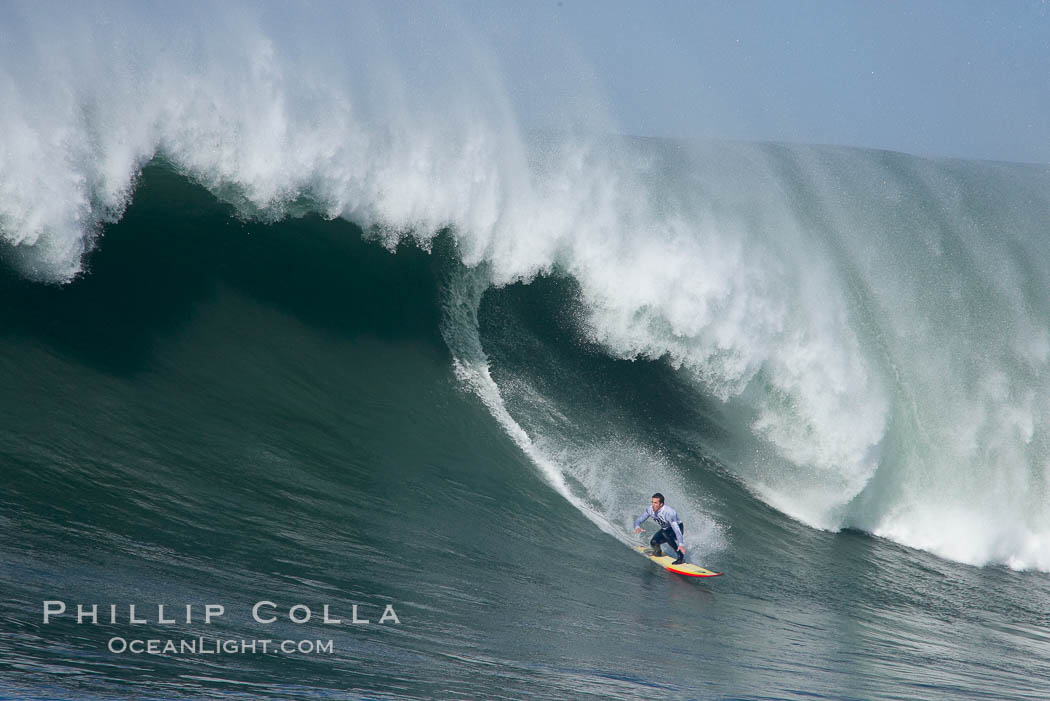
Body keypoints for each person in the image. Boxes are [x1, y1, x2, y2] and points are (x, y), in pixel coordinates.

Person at [633, 493, 686, 565]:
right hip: (666, 529)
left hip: (678, 528)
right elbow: (639, 520)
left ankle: (680, 556)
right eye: (652, 502)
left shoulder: (669, 512)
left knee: (665, 533)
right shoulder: (650, 510)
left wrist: (681, 543)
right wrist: (637, 526)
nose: (653, 505)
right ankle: (658, 552)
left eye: (655, 503)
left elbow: (676, 529)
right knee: (653, 542)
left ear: (661, 504)